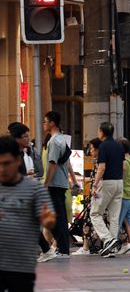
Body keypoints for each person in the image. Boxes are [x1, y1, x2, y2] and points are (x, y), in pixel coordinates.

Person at [0, 136, 56, 292]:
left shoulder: (34, 189)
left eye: (6, 163)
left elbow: (49, 220)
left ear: (18, 161)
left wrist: (48, 219)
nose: (2, 169)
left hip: (21, 267)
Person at [39, 111, 72, 260]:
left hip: (54, 183)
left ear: (52, 123)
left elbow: (52, 164)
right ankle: (63, 248)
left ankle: (63, 249)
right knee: (60, 217)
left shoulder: (54, 141)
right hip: (61, 183)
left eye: (45, 121)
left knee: (56, 217)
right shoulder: (62, 140)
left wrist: (46, 184)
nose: (44, 124)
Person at [91, 121, 125, 257]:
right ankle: (111, 247)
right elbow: (124, 167)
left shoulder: (103, 146)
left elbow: (102, 167)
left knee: (95, 213)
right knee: (114, 217)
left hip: (106, 183)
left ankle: (108, 239)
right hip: (119, 182)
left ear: (102, 132)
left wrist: (95, 184)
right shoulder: (119, 145)